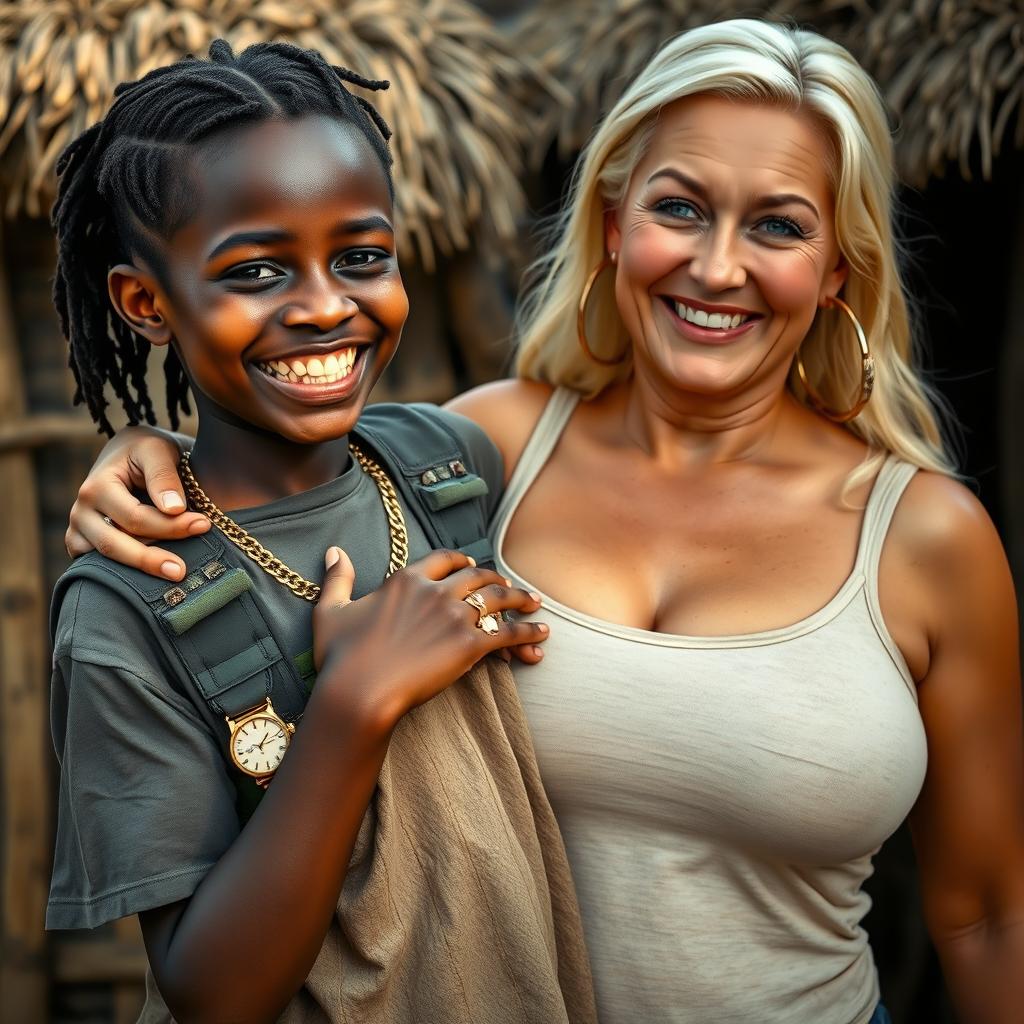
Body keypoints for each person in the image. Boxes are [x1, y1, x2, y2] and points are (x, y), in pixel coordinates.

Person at [65, 19, 1024, 1024]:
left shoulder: (925, 538)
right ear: (614, 225)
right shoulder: (482, 453)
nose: (716, 266)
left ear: (837, 268)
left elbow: (991, 912)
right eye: (679, 209)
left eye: (778, 226)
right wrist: (147, 452)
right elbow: (277, 465)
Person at [46, 39, 598, 1024]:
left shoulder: (446, 463)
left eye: (361, 257)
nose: (325, 306)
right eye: (255, 269)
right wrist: (350, 702)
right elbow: (215, 991)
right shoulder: (129, 601)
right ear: (146, 302)